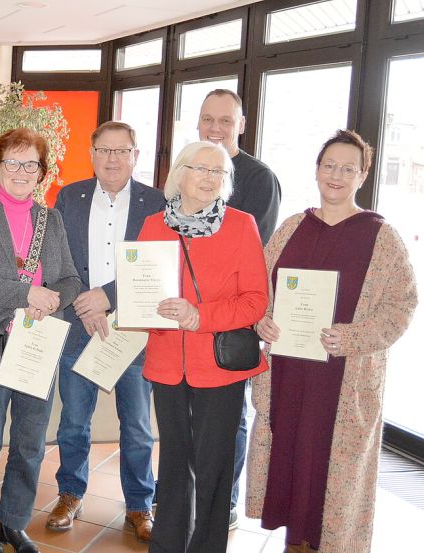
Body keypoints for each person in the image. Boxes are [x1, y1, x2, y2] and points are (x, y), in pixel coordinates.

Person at [248, 130, 417, 553]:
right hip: (289, 375)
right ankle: (296, 543)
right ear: (317, 170)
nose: (336, 175)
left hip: (345, 381)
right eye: (329, 166)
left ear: (363, 175)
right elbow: (258, 291)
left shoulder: (382, 236)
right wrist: (262, 321)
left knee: (331, 476)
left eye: (348, 168)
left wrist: (356, 336)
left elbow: (403, 305)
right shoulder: (292, 227)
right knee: (291, 465)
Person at [137, 140, 269, 553]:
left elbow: (255, 300)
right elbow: (141, 297)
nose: (211, 178)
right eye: (202, 169)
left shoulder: (242, 225)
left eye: (220, 172)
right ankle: (167, 545)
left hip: (219, 366)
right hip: (166, 365)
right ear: (180, 173)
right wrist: (148, 314)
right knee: (175, 463)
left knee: (213, 467)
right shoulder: (153, 225)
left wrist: (201, 316)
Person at [0, 128, 81, 553]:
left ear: (42, 172)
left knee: (30, 444)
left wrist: (53, 299)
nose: (23, 171)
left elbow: (70, 279)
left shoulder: (52, 220)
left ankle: (13, 521)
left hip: (37, 347)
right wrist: (25, 293)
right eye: (13, 162)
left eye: (32, 164)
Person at [50, 121, 165, 542]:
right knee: (73, 422)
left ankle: (139, 504)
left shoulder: (157, 202)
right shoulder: (70, 197)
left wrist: (107, 297)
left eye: (122, 151)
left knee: (135, 424)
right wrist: (85, 301)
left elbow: (156, 266)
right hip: (80, 326)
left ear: (136, 155)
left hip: (132, 329)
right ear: (92, 153)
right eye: (104, 150)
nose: (113, 159)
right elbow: (57, 260)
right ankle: (69, 494)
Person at [197, 88, 282, 527]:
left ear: (242, 125)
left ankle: (224, 503)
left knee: (230, 417)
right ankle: (189, 496)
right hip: (189, 320)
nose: (215, 128)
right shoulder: (190, 169)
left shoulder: (258, 179)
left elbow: (251, 257)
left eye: (225, 120)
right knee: (192, 419)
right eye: (208, 119)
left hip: (233, 321)